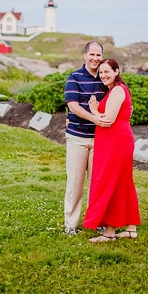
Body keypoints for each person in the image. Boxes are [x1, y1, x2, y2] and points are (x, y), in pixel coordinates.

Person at [83, 58, 141, 242]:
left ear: (117, 71)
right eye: (101, 73)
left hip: (116, 141)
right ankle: (131, 229)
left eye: (107, 71)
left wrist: (93, 110)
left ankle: (109, 233)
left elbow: (108, 119)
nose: (103, 75)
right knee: (123, 183)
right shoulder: (115, 90)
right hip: (116, 140)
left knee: (111, 182)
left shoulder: (117, 90)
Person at [63, 40, 107, 235]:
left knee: (98, 184)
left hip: (101, 140)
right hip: (78, 138)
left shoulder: (105, 79)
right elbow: (73, 106)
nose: (95, 59)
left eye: (99, 55)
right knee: (75, 183)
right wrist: (94, 118)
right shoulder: (74, 78)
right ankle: (70, 225)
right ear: (85, 55)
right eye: (92, 55)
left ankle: (96, 221)